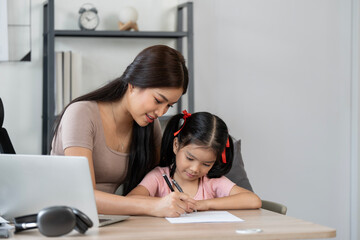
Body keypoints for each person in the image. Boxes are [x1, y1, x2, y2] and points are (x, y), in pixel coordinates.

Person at [51, 45, 196, 217]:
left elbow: (159, 177)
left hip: (111, 219)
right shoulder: (81, 114)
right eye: (158, 100)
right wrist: (151, 206)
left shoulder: (149, 125)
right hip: (66, 219)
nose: (161, 112)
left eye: (168, 106)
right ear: (133, 85)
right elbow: (84, 197)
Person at [127, 111, 262, 217]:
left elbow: (253, 200)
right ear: (176, 145)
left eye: (206, 164)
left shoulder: (211, 182)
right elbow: (131, 200)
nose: (195, 169)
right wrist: (163, 204)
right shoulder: (159, 177)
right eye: (190, 158)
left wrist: (205, 204)